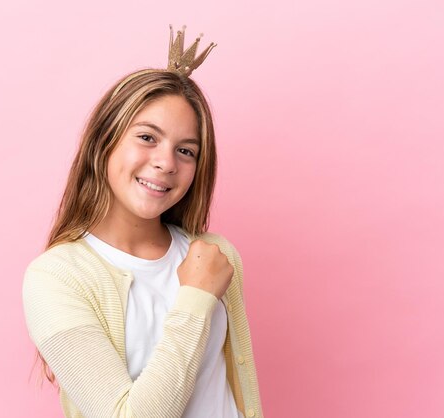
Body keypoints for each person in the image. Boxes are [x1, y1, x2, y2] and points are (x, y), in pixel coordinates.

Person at [22, 26, 263, 418]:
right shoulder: (56, 278)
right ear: (105, 140)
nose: (166, 163)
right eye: (148, 138)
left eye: (186, 150)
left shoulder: (218, 256)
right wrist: (197, 298)